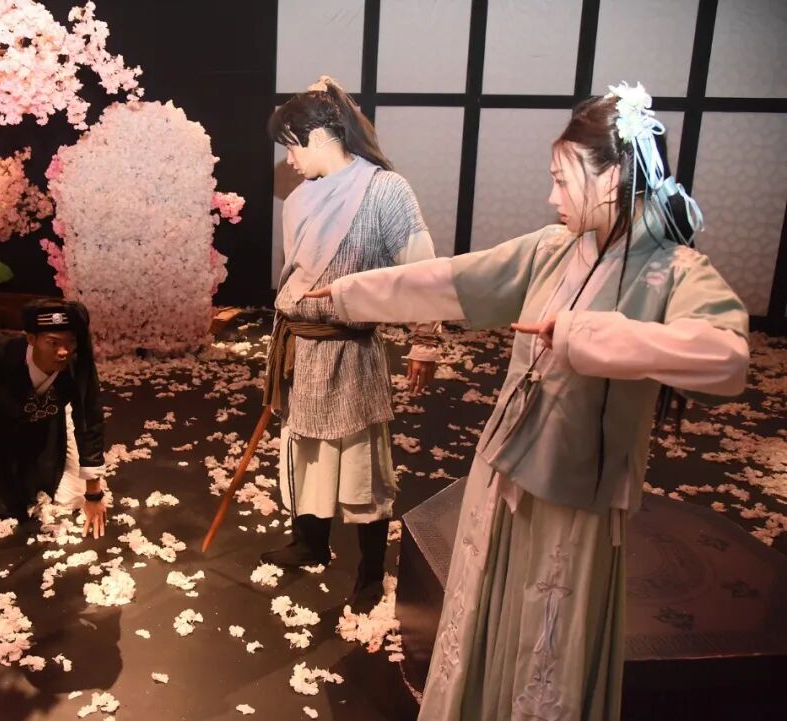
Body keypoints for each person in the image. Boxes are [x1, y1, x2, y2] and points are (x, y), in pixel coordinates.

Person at [306, 82, 750, 720]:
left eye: (562, 181)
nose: (552, 197)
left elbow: (726, 358)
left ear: (613, 177)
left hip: (576, 493)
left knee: (548, 636)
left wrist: (581, 335)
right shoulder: (551, 249)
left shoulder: (673, 270)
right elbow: (450, 280)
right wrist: (351, 292)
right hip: (502, 470)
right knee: (484, 611)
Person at [262, 75, 441, 612]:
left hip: (350, 350)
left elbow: (421, 268)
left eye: (291, 146)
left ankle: (369, 569)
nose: (289, 160)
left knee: (361, 463)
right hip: (301, 345)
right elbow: (294, 275)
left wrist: (425, 340)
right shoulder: (299, 199)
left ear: (318, 137)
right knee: (305, 451)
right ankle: (310, 542)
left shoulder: (386, 190)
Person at [0, 298, 109, 539]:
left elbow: (89, 417)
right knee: (6, 511)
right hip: (2, 437)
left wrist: (93, 492)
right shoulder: (1, 354)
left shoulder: (77, 361)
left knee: (70, 498)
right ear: (31, 339)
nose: (63, 351)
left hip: (50, 434)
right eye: (53, 343)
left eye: (70, 342)